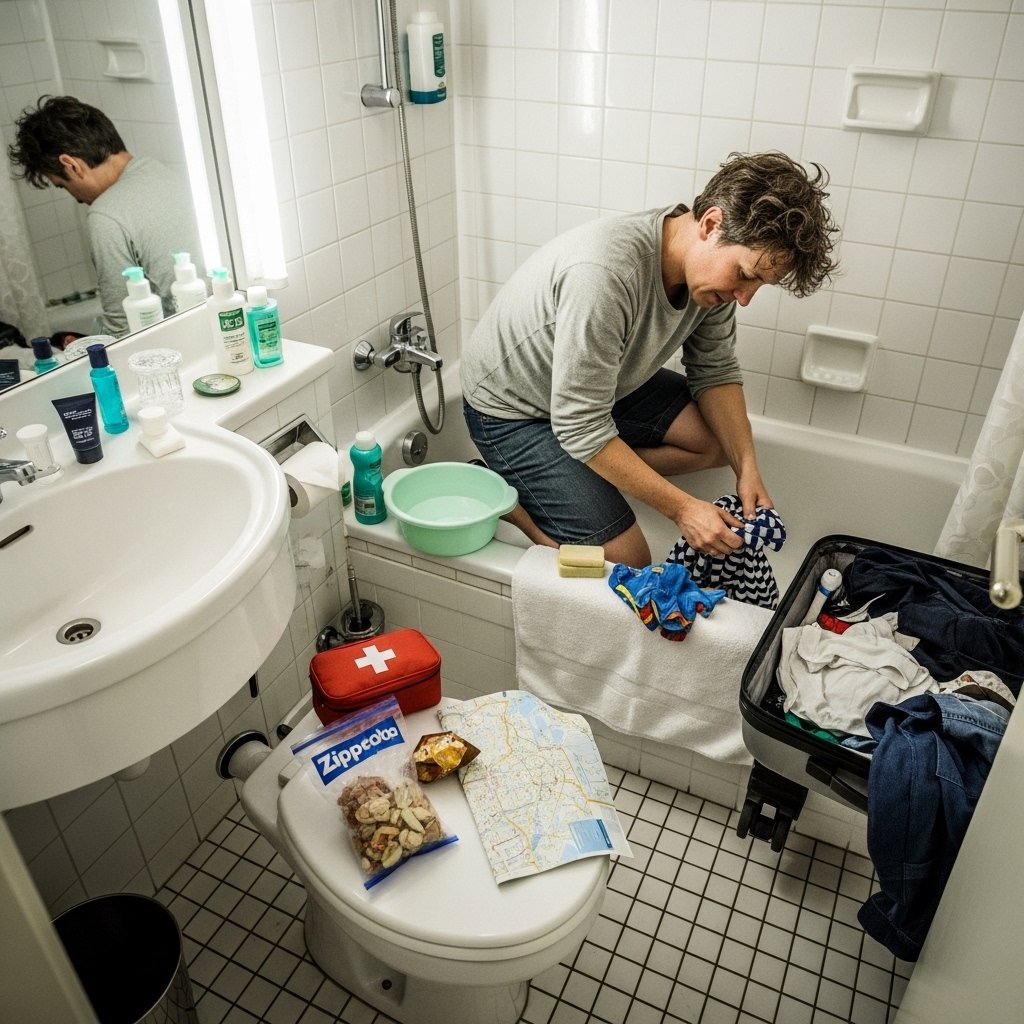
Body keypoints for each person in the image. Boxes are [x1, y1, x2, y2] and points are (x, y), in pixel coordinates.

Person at [461, 151, 840, 569]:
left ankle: (585, 469)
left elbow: (715, 370)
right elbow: (580, 423)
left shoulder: (711, 282)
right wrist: (682, 509)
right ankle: (527, 513)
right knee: (629, 562)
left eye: (760, 284)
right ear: (710, 224)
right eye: (746, 275)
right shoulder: (605, 274)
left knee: (718, 442)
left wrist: (747, 467)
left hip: (597, 390)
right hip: (512, 410)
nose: (746, 298)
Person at [7, 95, 203, 338]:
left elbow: (122, 329)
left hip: (187, 338)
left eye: (62, 185)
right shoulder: (164, 172)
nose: (77, 199)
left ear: (71, 165)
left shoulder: (105, 214)